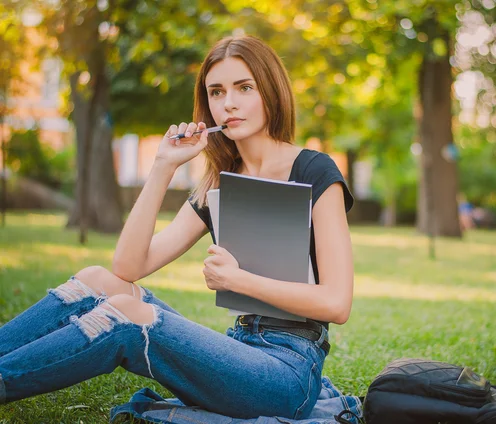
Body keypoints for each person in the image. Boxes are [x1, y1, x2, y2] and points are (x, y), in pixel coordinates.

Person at [0, 35, 355, 420]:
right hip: (239, 348)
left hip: (288, 372)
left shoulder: (316, 172)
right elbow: (128, 268)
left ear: (271, 91)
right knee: (97, 280)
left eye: (244, 88)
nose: (228, 103)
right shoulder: (220, 181)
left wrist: (239, 280)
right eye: (216, 92)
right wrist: (163, 166)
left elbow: (336, 304)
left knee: (127, 316)